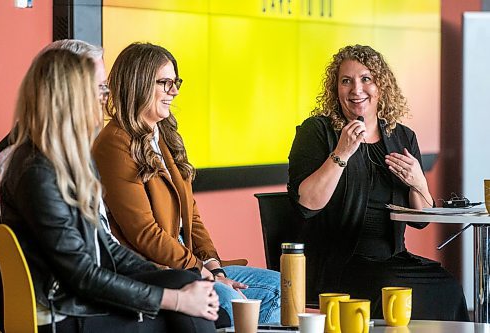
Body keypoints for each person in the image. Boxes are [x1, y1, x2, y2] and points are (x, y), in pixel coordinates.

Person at [0, 48, 219, 333]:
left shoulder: (67, 160)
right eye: (100, 89)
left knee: (185, 285)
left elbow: (106, 248)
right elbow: (82, 275)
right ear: (71, 97)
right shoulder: (37, 172)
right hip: (65, 312)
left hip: (82, 300)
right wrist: (176, 299)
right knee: (189, 315)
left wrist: (177, 279)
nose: (105, 99)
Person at [92, 42, 281, 324]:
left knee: (279, 287)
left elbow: (190, 212)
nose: (175, 91)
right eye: (165, 83)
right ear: (139, 84)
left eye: (175, 82)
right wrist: (200, 270)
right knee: (229, 301)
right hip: (158, 269)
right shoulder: (115, 143)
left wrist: (213, 264)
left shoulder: (163, 134)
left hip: (189, 260)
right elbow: (144, 234)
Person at [287, 44, 469, 321]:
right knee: (390, 287)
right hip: (339, 261)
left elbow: (420, 219)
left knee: (449, 288)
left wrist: (418, 182)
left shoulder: (402, 137)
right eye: (346, 81)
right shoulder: (317, 131)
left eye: (365, 79)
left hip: (393, 259)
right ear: (335, 90)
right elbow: (308, 204)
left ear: (381, 86)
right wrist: (342, 152)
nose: (356, 89)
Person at [0, 39, 108, 225]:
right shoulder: (22, 163)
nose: (103, 97)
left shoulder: (70, 151)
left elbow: (100, 239)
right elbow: (72, 250)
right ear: (63, 88)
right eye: (98, 87)